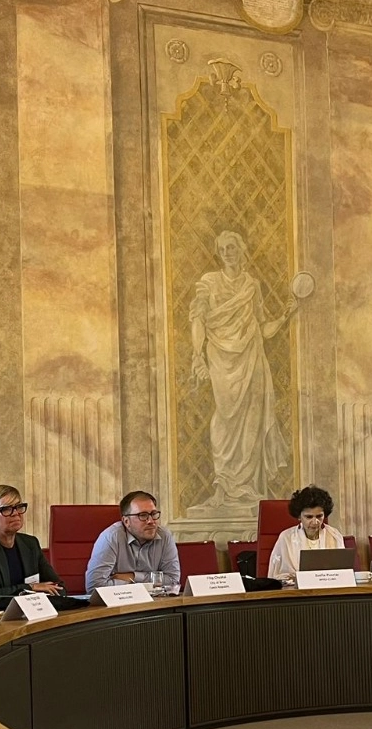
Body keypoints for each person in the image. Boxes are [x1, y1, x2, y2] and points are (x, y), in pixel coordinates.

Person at [189, 230, 294, 507]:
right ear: (218, 253)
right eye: (223, 249)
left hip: (252, 358)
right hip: (221, 359)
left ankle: (246, 487)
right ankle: (223, 484)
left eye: (232, 247)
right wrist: (197, 356)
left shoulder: (251, 285)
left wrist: (286, 315)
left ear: (241, 249)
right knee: (224, 419)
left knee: (252, 420)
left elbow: (263, 327)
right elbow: (198, 318)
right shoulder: (209, 282)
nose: (227, 253)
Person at [86, 491, 181, 590]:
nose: (151, 521)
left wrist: (133, 576)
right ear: (126, 521)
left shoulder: (164, 536)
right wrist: (150, 583)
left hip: (154, 600)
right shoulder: (111, 537)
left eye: (153, 514)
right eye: (143, 515)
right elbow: (94, 587)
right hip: (120, 599)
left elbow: (173, 581)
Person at [266, 485, 347, 581]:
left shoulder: (334, 536)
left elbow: (343, 572)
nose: (315, 522)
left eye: (319, 516)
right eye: (309, 517)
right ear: (299, 516)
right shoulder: (286, 537)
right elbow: (275, 577)